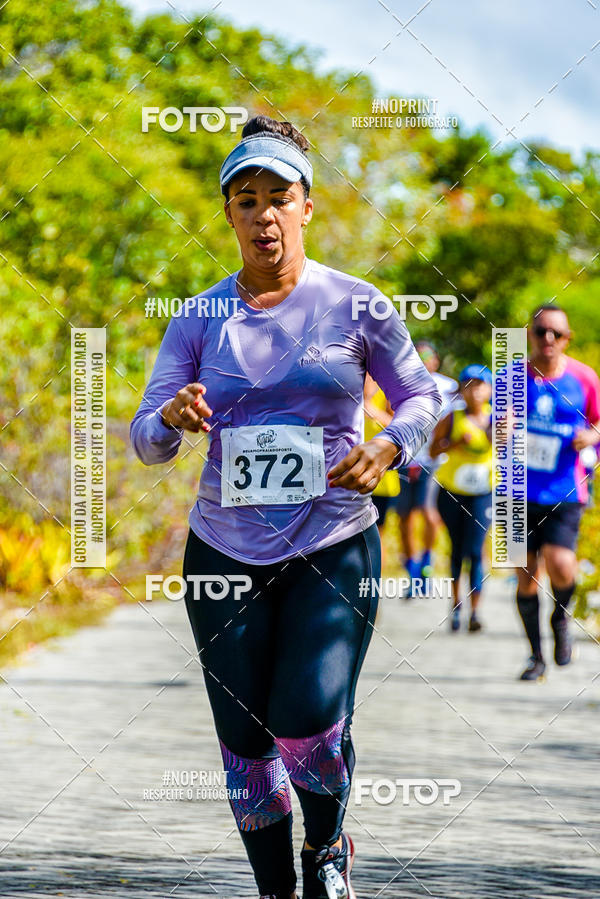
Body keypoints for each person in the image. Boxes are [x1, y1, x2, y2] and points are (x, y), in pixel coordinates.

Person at [130, 115, 442, 899]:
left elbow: (422, 397)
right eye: (245, 199)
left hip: (334, 541)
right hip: (224, 550)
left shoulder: (358, 304)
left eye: (279, 196)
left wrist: (390, 446)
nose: (262, 213)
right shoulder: (199, 317)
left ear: (307, 206)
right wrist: (169, 420)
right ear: (228, 213)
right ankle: (274, 891)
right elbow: (144, 435)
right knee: (244, 740)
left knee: (305, 721)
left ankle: (328, 844)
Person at [516, 304, 600, 681]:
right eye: (540, 331)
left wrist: (591, 436)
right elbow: (492, 430)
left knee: (561, 564)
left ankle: (561, 617)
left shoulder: (584, 378)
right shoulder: (511, 377)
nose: (548, 339)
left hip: (566, 487)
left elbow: (598, 423)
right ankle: (536, 657)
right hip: (516, 490)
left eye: (556, 333)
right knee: (525, 574)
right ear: (529, 334)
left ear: (567, 339)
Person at [429, 365, 493, 632]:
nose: (474, 390)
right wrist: (455, 443)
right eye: (468, 384)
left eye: (479, 385)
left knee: (476, 551)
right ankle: (456, 607)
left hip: (483, 493)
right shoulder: (452, 418)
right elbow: (432, 451)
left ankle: (475, 612)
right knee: (457, 550)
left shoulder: (498, 419)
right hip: (452, 492)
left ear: (489, 390)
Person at [394, 341, 457, 595]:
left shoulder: (449, 388)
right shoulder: (399, 381)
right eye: (417, 356)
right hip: (405, 460)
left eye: (427, 356)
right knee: (404, 517)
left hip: (433, 462)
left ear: (436, 360)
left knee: (429, 513)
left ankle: (427, 558)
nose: (422, 360)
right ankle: (412, 570)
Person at [362, 373, 400, 566]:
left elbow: (398, 427)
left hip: (381, 477)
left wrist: (370, 408)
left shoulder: (386, 393)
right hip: (348, 476)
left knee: (377, 533)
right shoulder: (345, 393)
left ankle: (376, 582)